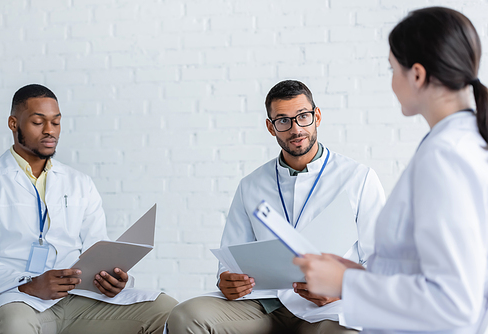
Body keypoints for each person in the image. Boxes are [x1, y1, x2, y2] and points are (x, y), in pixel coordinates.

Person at [293, 7, 488, 333]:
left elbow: (455, 304)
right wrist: (361, 276)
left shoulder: (446, 156)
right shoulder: (463, 143)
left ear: (417, 75)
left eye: (391, 69)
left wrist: (346, 284)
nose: (392, 81)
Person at [166, 80, 386, 333]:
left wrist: (343, 288)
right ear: (271, 127)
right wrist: (226, 280)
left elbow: (382, 260)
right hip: (265, 303)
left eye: (303, 116)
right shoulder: (251, 185)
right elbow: (231, 259)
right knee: (186, 315)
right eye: (283, 120)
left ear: (317, 116)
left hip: (330, 305)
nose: (295, 129)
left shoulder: (359, 177)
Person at [0, 84, 178, 334]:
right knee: (15, 324)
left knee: (168, 310)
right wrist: (30, 284)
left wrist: (113, 278)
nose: (49, 131)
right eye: (38, 122)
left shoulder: (79, 182)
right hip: (20, 300)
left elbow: (97, 246)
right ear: (14, 124)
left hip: (79, 299)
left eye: (56, 123)